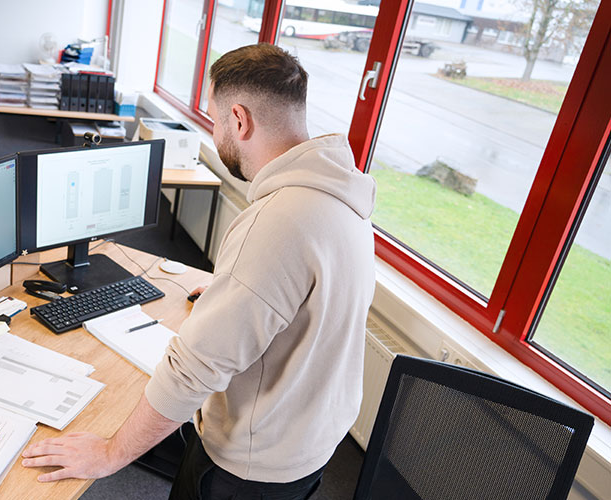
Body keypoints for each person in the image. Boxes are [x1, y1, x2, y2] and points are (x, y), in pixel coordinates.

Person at [22, 43, 377, 499]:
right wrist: (234, 290)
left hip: (248, 470)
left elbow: (194, 371)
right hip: (307, 448)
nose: (214, 133)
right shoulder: (342, 194)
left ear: (240, 119)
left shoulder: (278, 222)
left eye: (214, 120)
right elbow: (310, 300)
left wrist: (110, 454)